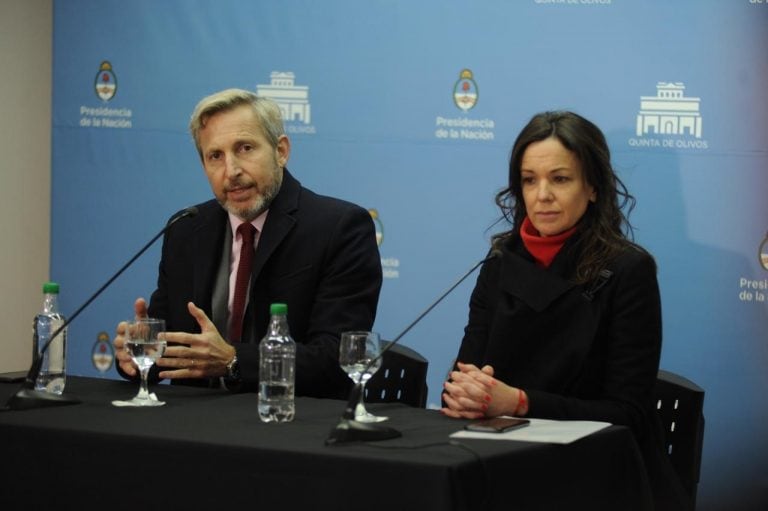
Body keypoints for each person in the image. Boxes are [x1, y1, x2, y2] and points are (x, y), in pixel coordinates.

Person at [441, 111, 689, 510]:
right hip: (504, 467)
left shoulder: (628, 269)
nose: (542, 195)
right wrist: (465, 395)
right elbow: (463, 376)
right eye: (529, 180)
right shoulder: (501, 260)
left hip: (600, 477)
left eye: (560, 179)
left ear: (592, 187)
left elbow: (625, 414)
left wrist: (519, 402)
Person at [113, 88, 382, 399]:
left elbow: (336, 359)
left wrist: (233, 360)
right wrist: (138, 356)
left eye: (245, 148)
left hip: (291, 424)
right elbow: (172, 352)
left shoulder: (340, 227)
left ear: (281, 151)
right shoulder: (186, 229)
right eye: (215, 156)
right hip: (191, 426)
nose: (232, 171)